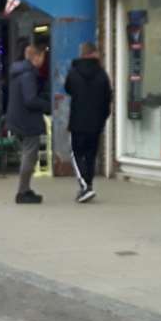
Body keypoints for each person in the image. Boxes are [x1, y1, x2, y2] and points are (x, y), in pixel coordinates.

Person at [64, 41, 113, 203]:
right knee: (91, 155)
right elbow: (108, 98)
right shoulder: (102, 74)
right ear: (95, 53)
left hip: (77, 121)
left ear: (82, 53)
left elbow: (68, 89)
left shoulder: (73, 72)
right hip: (96, 123)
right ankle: (88, 185)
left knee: (76, 153)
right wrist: (102, 118)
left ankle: (85, 186)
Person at [6, 43, 51, 204]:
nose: (44, 60)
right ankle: (23, 191)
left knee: (28, 155)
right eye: (43, 57)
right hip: (27, 121)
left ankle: (25, 189)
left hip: (17, 119)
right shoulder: (28, 75)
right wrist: (47, 106)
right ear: (36, 57)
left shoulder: (18, 72)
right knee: (29, 156)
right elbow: (30, 99)